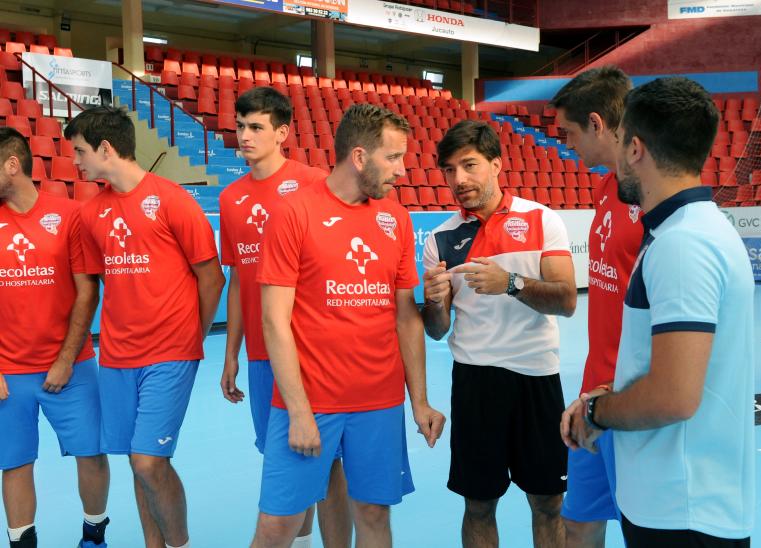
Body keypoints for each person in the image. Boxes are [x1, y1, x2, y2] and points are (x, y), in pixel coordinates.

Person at [565, 77, 754, 547]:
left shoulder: (682, 245)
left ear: (634, 148)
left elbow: (674, 396)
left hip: (683, 510)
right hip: (679, 498)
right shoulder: (693, 231)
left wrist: (597, 410)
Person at [252, 103, 445, 548]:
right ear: (359, 157)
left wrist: (419, 401)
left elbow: (405, 318)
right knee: (278, 524)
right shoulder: (294, 213)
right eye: (393, 157)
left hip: (378, 402)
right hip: (309, 402)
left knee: (374, 515)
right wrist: (299, 412)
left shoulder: (394, 217)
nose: (402, 170)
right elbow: (274, 320)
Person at [66, 106, 225, 548]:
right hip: (116, 356)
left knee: (149, 461)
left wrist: (193, 334)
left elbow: (211, 277)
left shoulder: (172, 199)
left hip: (170, 353)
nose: (75, 161)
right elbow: (96, 285)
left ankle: (178, 545)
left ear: (106, 148)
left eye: (80, 151)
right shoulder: (89, 214)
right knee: (138, 461)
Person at [422, 120, 577, 548]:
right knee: (478, 505)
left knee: (548, 501)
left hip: (537, 378)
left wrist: (511, 283)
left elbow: (566, 300)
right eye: (450, 170)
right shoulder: (440, 238)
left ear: (496, 164)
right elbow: (437, 331)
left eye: (469, 165)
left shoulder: (542, 220)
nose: (459, 180)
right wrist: (434, 301)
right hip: (476, 381)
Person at [218, 87, 351, 547]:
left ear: (282, 132)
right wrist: (231, 353)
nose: (245, 135)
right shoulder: (232, 197)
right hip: (260, 351)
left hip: (311, 350)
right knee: (286, 459)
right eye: (240, 126)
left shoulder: (315, 181)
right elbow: (238, 280)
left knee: (328, 460)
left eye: (256, 127)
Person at [0, 127, 110, 548]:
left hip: (72, 367)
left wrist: (66, 358)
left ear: (13, 165)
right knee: (14, 463)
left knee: (91, 455)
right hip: (10, 373)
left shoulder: (68, 216)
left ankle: (94, 535)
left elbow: (87, 290)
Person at [550, 66, 643, 547]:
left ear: (596, 123)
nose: (565, 143)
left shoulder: (652, 197)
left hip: (633, 399)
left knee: (643, 527)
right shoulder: (607, 187)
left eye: (568, 131)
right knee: (579, 523)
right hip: (591, 393)